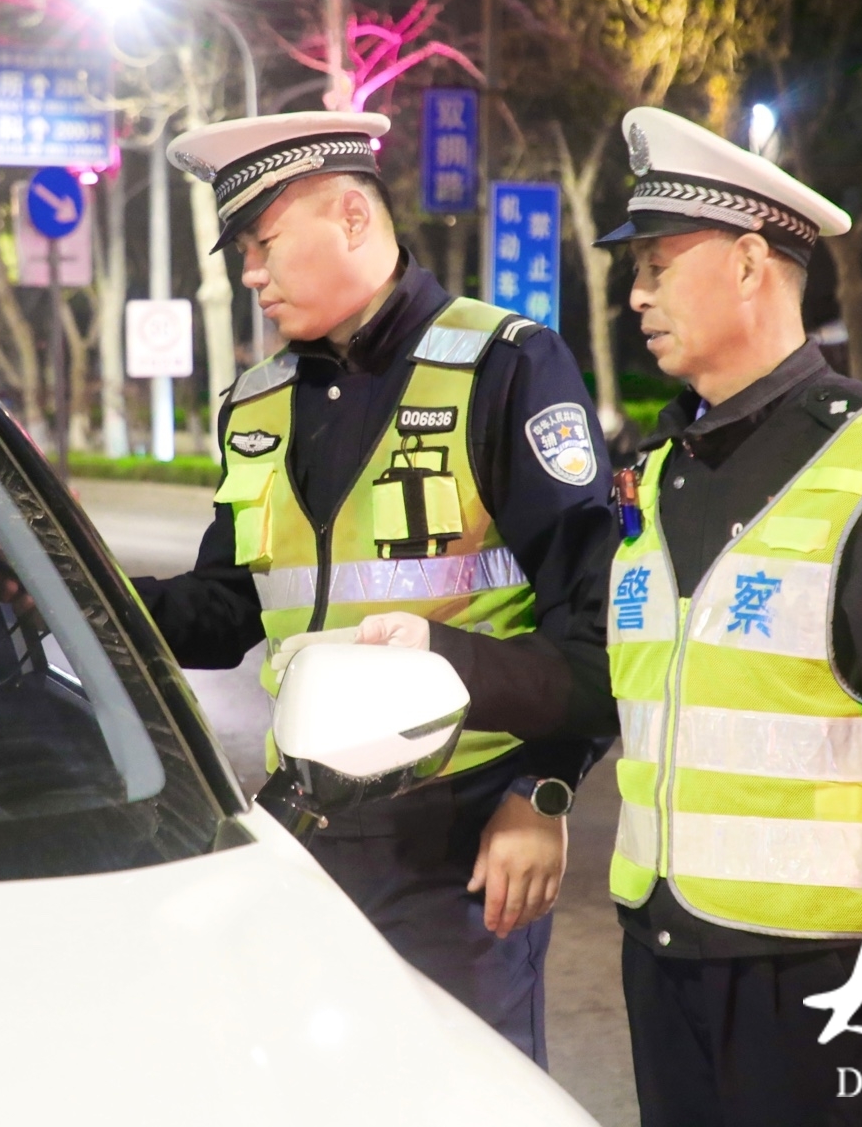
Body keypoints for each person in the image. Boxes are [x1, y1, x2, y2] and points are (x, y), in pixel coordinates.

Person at [138, 111, 619, 1064]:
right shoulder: (258, 402)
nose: (250, 274)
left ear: (353, 217)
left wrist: (543, 789)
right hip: (303, 831)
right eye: (242, 253)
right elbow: (225, 610)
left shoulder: (506, 367)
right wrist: (66, 592)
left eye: (263, 243)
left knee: (459, 1094)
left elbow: (595, 622)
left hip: (460, 839)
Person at [588, 107, 862, 1127]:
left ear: (750, 264)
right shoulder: (658, 473)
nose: (636, 293)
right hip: (666, 957)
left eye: (657, 264)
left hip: (830, 979)